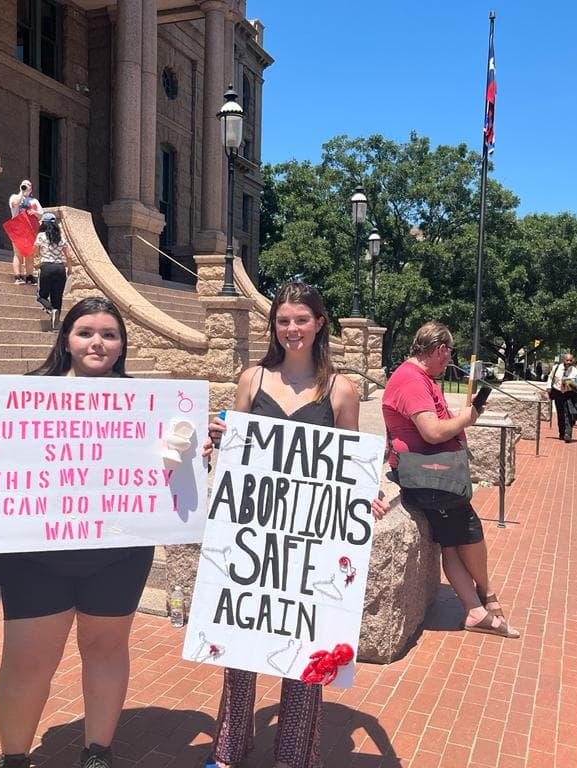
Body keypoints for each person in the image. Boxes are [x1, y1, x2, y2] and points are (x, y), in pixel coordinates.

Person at [0, 297, 151, 768]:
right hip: (36, 554)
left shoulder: (147, 404)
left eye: (109, 334)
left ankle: (97, 751)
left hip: (117, 551)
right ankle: (14, 756)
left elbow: (167, 471)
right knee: (27, 659)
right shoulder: (28, 393)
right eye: (86, 332)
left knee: (105, 648)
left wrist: (189, 448)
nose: (97, 342)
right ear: (66, 339)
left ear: (122, 345)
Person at [202, 281, 389, 768]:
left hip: (311, 542)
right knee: (240, 641)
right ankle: (228, 749)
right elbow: (234, 448)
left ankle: (293, 756)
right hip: (253, 534)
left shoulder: (340, 390)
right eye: (283, 320)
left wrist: (367, 495)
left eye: (301, 320)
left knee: (306, 646)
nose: (291, 329)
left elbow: (350, 466)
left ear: (320, 323)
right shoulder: (252, 380)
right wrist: (218, 435)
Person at [383, 321, 520, 641]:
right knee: (469, 532)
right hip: (429, 477)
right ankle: (486, 596)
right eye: (448, 354)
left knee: (453, 542)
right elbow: (431, 432)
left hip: (435, 474)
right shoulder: (411, 380)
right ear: (440, 349)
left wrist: (459, 416)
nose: (449, 361)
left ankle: (475, 609)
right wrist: (467, 418)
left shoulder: (420, 377)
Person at [32, 212, 73, 330]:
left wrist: (36, 258)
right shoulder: (61, 238)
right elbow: (69, 255)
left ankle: (51, 310)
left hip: (46, 267)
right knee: (57, 296)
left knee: (41, 296)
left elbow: (35, 252)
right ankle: (55, 323)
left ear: (44, 224)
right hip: (60, 268)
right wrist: (69, 269)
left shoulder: (41, 236)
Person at [8, 179, 42, 285]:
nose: (26, 186)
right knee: (18, 254)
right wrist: (22, 193)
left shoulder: (34, 201)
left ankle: (29, 276)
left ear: (31, 188)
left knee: (29, 254)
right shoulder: (15, 197)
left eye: (29, 185)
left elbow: (41, 214)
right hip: (18, 227)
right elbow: (15, 204)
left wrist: (34, 212)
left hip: (30, 229)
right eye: (24, 184)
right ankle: (18, 276)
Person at [547, 353, 577, 442]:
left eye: (570, 360)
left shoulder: (575, 371)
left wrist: (572, 384)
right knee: (560, 413)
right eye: (567, 360)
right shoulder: (556, 368)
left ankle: (568, 434)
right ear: (563, 360)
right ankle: (561, 432)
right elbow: (550, 377)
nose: (569, 362)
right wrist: (549, 387)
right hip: (558, 392)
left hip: (569, 394)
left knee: (569, 413)